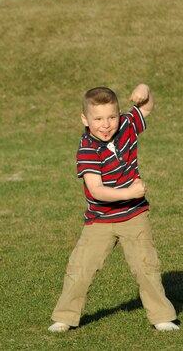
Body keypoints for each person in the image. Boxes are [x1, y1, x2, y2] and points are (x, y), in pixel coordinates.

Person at [48, 84, 179, 333]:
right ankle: (65, 316)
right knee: (81, 268)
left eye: (112, 117)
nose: (106, 124)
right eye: (98, 119)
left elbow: (147, 107)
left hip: (134, 215)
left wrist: (145, 89)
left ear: (120, 115)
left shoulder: (127, 128)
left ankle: (162, 316)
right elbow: (96, 190)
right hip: (100, 220)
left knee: (146, 266)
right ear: (85, 120)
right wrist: (130, 192)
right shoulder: (87, 149)